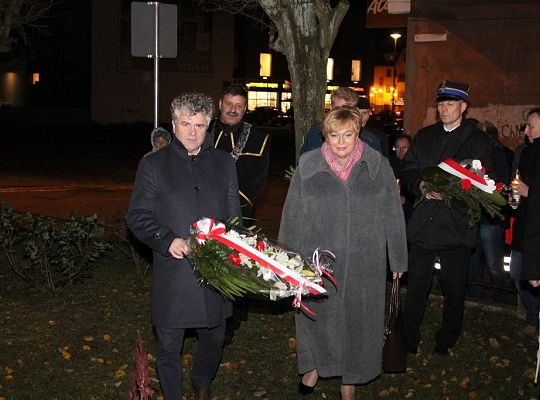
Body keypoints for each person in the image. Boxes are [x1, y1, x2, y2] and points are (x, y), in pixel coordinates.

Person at [279, 106, 407, 398]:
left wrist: (398, 257)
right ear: (326, 135)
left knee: (358, 321)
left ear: (357, 133)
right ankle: (315, 367)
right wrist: (286, 260)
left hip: (366, 259)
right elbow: (292, 215)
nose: (340, 142)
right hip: (320, 260)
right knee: (319, 319)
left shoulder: (377, 166)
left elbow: (392, 212)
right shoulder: (309, 165)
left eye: (347, 135)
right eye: (334, 135)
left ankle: (350, 379)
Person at [126, 92, 242, 400]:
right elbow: (137, 215)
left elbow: (234, 215)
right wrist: (167, 241)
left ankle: (202, 380)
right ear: (174, 124)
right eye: (186, 124)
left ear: (208, 127)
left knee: (215, 338)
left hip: (215, 272)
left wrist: (238, 250)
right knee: (168, 347)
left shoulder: (223, 163)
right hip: (174, 273)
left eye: (200, 125)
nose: (193, 132)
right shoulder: (153, 165)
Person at [401, 80, 507, 356]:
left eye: (450, 104)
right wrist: (421, 187)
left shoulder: (479, 142)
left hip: (457, 226)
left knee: (454, 289)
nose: (444, 109)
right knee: (416, 286)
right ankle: (408, 335)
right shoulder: (425, 137)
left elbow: (490, 183)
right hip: (425, 224)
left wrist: (455, 194)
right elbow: (409, 169)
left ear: (463, 106)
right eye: (441, 104)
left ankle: (447, 338)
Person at [208, 85, 271, 341]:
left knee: (235, 265)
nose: (233, 109)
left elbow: (257, 182)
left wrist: (231, 211)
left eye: (239, 105)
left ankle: (231, 321)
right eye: (229, 104)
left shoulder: (259, 138)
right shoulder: (202, 130)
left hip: (239, 214)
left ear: (245, 109)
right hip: (200, 212)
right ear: (220, 104)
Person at [467, 122, 509, 304]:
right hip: (475, 214)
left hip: (490, 217)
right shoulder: (474, 154)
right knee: (473, 260)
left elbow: (500, 183)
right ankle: (476, 298)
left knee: (493, 262)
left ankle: (500, 298)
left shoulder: (498, 153)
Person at [511, 107, 540, 340]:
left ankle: (535, 322)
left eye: (530, 125)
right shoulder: (526, 152)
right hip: (523, 224)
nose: (526, 130)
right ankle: (533, 316)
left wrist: (529, 192)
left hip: (536, 230)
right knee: (517, 272)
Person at [300, 87, 386, 157]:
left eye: (348, 110)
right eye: (338, 110)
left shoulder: (370, 141)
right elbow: (302, 168)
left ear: (356, 110)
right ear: (331, 108)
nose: (342, 115)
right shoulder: (315, 133)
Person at [390, 134, 413, 222]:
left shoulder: (415, 165)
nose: (401, 151)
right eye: (398, 148)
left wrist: (406, 200)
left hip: (409, 213)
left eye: (404, 148)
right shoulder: (388, 164)